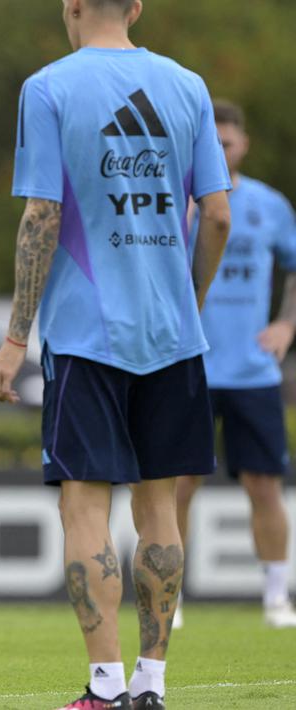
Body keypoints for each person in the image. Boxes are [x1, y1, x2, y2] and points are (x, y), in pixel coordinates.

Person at [0, 2, 232, 709]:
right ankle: (151, 688)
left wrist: (13, 338)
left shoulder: (50, 86)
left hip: (87, 333)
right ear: (137, 6)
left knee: (84, 507)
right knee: (160, 510)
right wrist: (190, 300)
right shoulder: (186, 85)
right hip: (171, 334)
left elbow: (42, 215)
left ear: (71, 7)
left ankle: (104, 685)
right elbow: (216, 214)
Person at [173, 100, 296, 630]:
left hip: (251, 371)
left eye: (228, 143)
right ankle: (169, 598)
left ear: (242, 144)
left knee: (264, 485)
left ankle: (276, 595)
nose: (220, 151)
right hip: (189, 365)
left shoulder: (269, 205)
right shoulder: (175, 203)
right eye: (212, 143)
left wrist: (288, 324)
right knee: (175, 486)